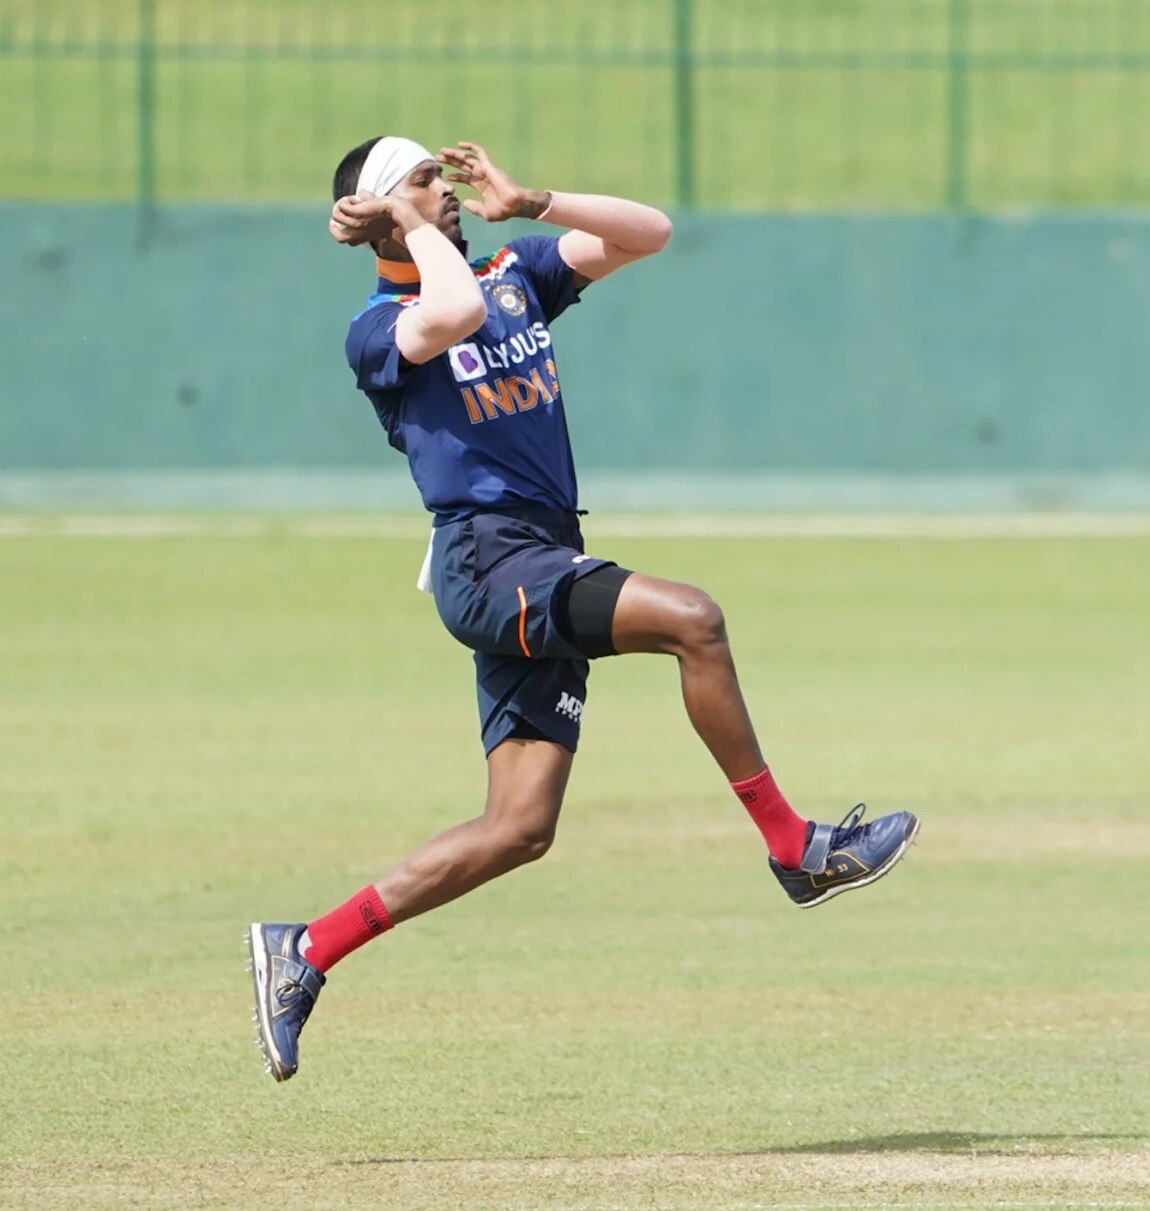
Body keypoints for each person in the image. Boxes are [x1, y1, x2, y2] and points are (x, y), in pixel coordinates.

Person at [247, 135, 919, 1082]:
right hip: (489, 562)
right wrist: (406, 220)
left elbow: (650, 233)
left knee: (519, 827)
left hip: (539, 553)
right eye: (421, 183)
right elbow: (453, 308)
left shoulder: (509, 271)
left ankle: (305, 948)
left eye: (439, 178)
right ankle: (793, 844)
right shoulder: (378, 326)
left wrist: (532, 201)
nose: (443, 189)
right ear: (381, 217)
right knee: (694, 618)